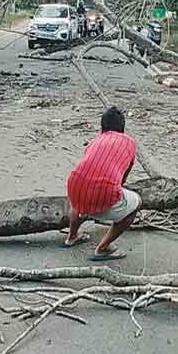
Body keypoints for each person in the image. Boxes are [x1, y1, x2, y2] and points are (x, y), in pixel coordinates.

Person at [64, 106, 140, 261]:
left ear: (102, 127)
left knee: (78, 201)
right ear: (122, 128)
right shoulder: (130, 143)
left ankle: (72, 237)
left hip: (74, 185)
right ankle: (103, 248)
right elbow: (123, 178)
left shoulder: (95, 141)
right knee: (136, 203)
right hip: (103, 193)